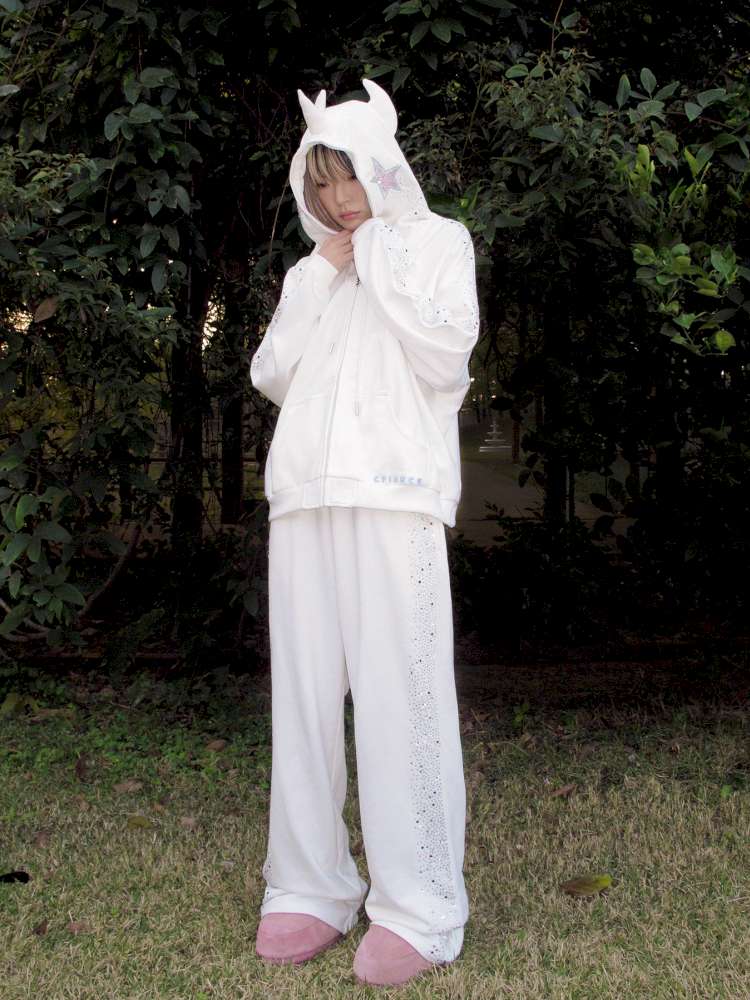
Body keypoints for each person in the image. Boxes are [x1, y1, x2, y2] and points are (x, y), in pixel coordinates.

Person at [249, 77, 480, 988]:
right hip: (304, 499)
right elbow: (272, 373)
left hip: (395, 498)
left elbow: (446, 355)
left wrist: (379, 260)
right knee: (304, 697)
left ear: (382, 167)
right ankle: (310, 885)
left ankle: (420, 904)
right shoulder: (314, 270)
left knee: (402, 695)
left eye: (349, 176)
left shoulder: (439, 242)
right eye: (321, 184)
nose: (339, 199)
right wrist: (324, 272)